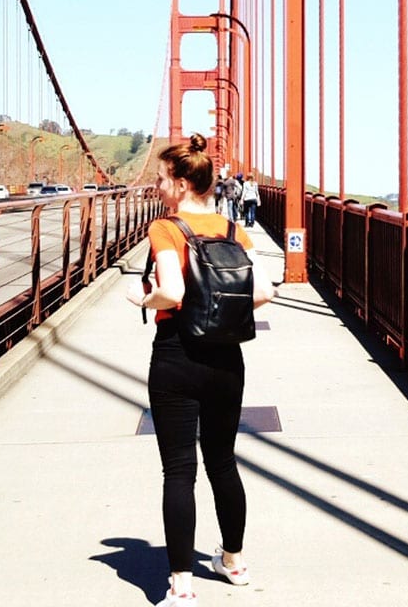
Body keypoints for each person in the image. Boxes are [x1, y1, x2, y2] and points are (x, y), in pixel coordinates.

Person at [125, 135, 275, 605]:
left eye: (162, 177)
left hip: (176, 355)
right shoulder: (234, 232)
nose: (157, 185)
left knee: (178, 471)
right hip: (227, 360)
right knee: (223, 462)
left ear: (182, 181)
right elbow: (265, 291)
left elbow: (170, 291)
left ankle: (182, 586)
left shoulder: (166, 229)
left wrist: (143, 299)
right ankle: (233, 562)